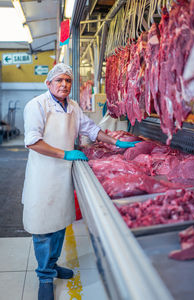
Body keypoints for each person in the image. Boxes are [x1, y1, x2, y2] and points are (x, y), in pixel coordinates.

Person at [22, 63, 140, 300]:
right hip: (43, 174)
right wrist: (65, 153)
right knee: (43, 226)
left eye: (68, 81)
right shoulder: (36, 105)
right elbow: (33, 141)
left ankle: (52, 265)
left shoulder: (73, 107)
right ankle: (44, 276)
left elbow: (92, 130)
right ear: (49, 83)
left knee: (58, 223)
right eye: (59, 80)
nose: (64, 84)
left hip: (63, 174)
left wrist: (117, 143)